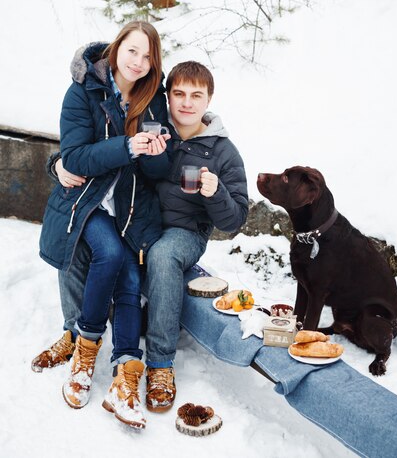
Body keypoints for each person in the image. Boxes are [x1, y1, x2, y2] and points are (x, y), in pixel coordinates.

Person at [34, 60, 248, 413]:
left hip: (181, 233)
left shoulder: (222, 150)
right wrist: (56, 164)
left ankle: (161, 364)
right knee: (79, 233)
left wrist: (216, 192)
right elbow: (97, 151)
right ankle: (74, 333)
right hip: (136, 223)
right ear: (168, 95)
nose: (187, 103)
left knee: (163, 255)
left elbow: (235, 219)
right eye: (178, 93)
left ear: (209, 99)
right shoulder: (152, 126)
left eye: (197, 95)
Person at [36, 21, 171, 429]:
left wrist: (156, 152)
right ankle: (86, 351)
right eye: (132, 51)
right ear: (115, 49)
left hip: (129, 208)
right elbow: (74, 157)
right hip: (87, 201)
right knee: (108, 254)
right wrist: (127, 147)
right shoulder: (84, 91)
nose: (139, 62)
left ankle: (125, 376)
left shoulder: (152, 99)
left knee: (129, 276)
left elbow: (158, 171)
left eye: (148, 56)